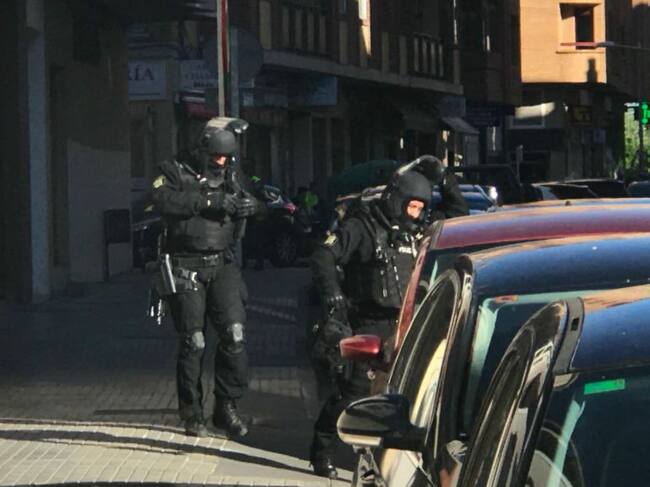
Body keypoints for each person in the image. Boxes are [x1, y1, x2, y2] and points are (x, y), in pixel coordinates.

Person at [308, 157, 468, 478]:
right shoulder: (363, 227)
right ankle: (322, 450)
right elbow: (324, 254)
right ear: (398, 201)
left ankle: (386, 459)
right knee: (352, 394)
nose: (416, 214)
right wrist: (332, 293)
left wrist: (447, 180)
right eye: (412, 207)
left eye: (421, 208)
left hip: (409, 321)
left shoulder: (419, 231)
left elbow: (458, 217)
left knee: (407, 396)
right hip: (369, 321)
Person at [151, 121, 264, 438]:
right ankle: (192, 413)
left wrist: (253, 206)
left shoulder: (232, 174)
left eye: (226, 157)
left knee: (235, 335)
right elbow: (160, 199)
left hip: (222, 262)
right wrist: (206, 202)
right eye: (216, 157)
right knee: (194, 341)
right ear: (203, 150)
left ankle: (226, 406)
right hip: (185, 263)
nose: (221, 162)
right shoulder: (173, 170)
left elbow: (258, 198)